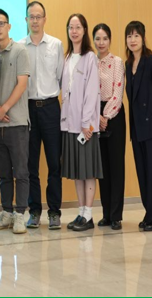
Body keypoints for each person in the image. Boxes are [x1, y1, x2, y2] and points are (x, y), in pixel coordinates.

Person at [19, 1, 64, 229]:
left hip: (50, 107)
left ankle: (54, 212)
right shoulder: (19, 46)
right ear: (26, 20)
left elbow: (61, 78)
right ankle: (34, 210)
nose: (35, 20)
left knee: (54, 162)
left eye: (38, 16)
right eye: (31, 16)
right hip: (27, 109)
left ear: (45, 19)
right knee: (31, 164)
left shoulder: (56, 45)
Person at [124, 21, 152, 232]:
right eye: (129, 36)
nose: (132, 40)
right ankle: (149, 213)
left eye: (136, 36)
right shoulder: (128, 65)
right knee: (142, 173)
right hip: (137, 128)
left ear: (143, 38)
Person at [0, 9, 30, 235]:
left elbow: (22, 84)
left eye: (1, 23)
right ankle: (6, 212)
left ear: (9, 26)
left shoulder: (20, 50)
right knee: (3, 173)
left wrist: (4, 108)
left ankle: (20, 214)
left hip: (17, 123)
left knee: (21, 172)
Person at [61, 13, 102, 232]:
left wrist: (86, 123)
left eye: (78, 27)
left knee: (88, 172)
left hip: (85, 127)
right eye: (71, 27)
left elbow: (91, 92)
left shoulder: (90, 57)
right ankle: (80, 212)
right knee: (77, 172)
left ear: (84, 30)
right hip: (70, 125)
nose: (74, 31)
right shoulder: (67, 57)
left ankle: (89, 215)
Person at [93, 23, 126, 231]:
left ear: (110, 40)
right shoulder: (90, 62)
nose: (101, 42)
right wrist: (96, 116)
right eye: (97, 38)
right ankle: (106, 214)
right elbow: (88, 92)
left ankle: (116, 215)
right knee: (102, 168)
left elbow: (118, 92)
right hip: (95, 115)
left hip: (114, 114)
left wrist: (105, 116)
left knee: (116, 166)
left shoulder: (117, 62)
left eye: (105, 38)